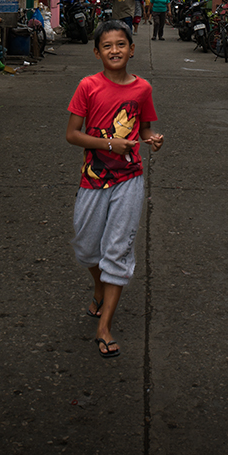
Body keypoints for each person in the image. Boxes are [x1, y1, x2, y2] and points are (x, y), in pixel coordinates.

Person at [65, 20, 164, 359]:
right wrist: (109, 145)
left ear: (131, 49)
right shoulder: (87, 86)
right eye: (107, 46)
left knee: (117, 250)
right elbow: (72, 135)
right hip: (93, 178)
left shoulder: (142, 89)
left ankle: (104, 327)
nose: (115, 50)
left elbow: (145, 129)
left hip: (129, 179)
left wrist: (152, 140)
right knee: (85, 246)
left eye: (121, 44)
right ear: (97, 53)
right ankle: (98, 284)